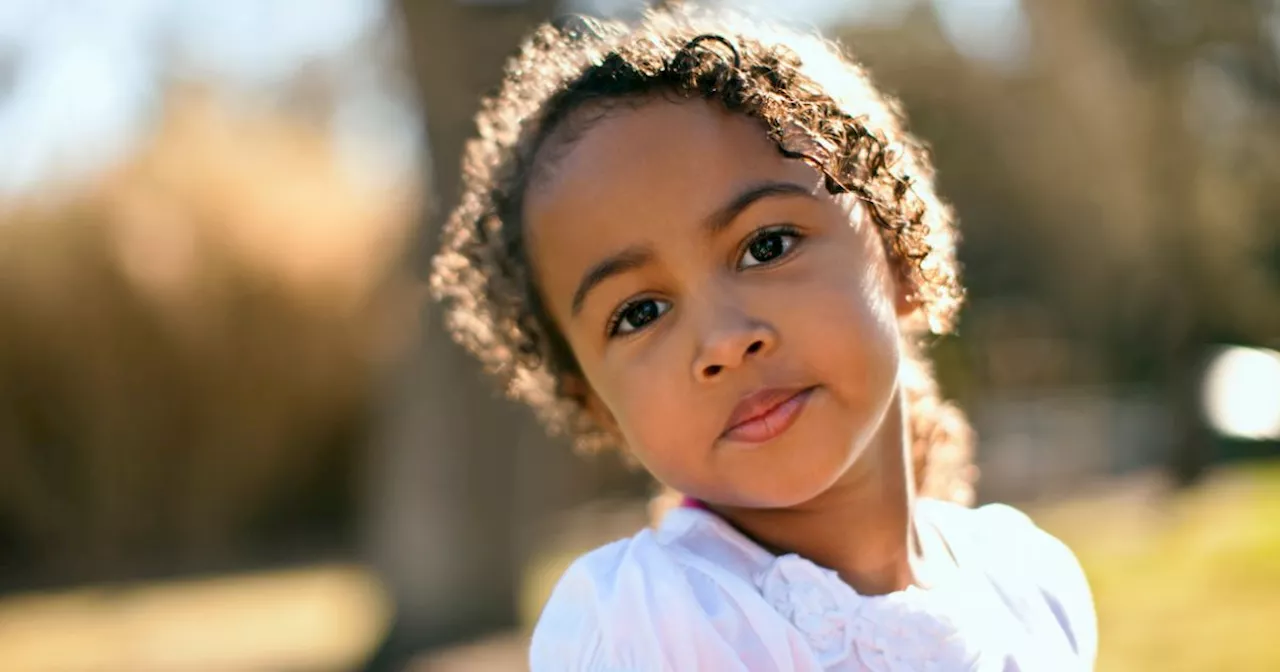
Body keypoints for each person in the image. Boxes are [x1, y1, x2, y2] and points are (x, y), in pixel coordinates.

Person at [431, 5, 1097, 670]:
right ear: (598, 404)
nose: (723, 341)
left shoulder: (1028, 582)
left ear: (896, 249)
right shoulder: (654, 627)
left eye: (767, 245)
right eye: (639, 313)